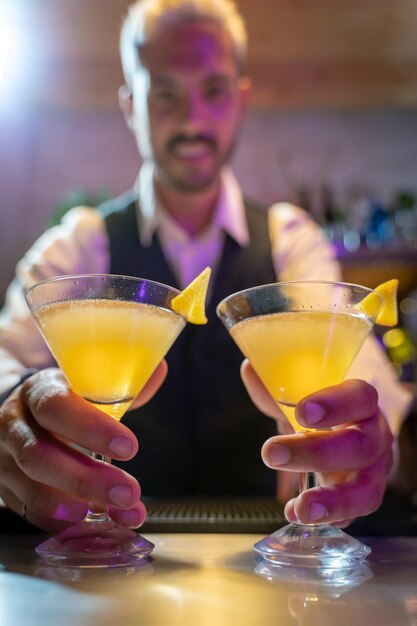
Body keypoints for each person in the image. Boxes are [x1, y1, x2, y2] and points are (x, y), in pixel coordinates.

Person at [0, 0, 413, 533]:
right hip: (112, 558)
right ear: (132, 107)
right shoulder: (80, 245)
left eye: (213, 91)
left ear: (241, 99)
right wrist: (12, 406)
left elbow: (363, 380)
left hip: (265, 562)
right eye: (165, 94)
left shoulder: (291, 241)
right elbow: (5, 363)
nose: (192, 119)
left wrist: (364, 444)